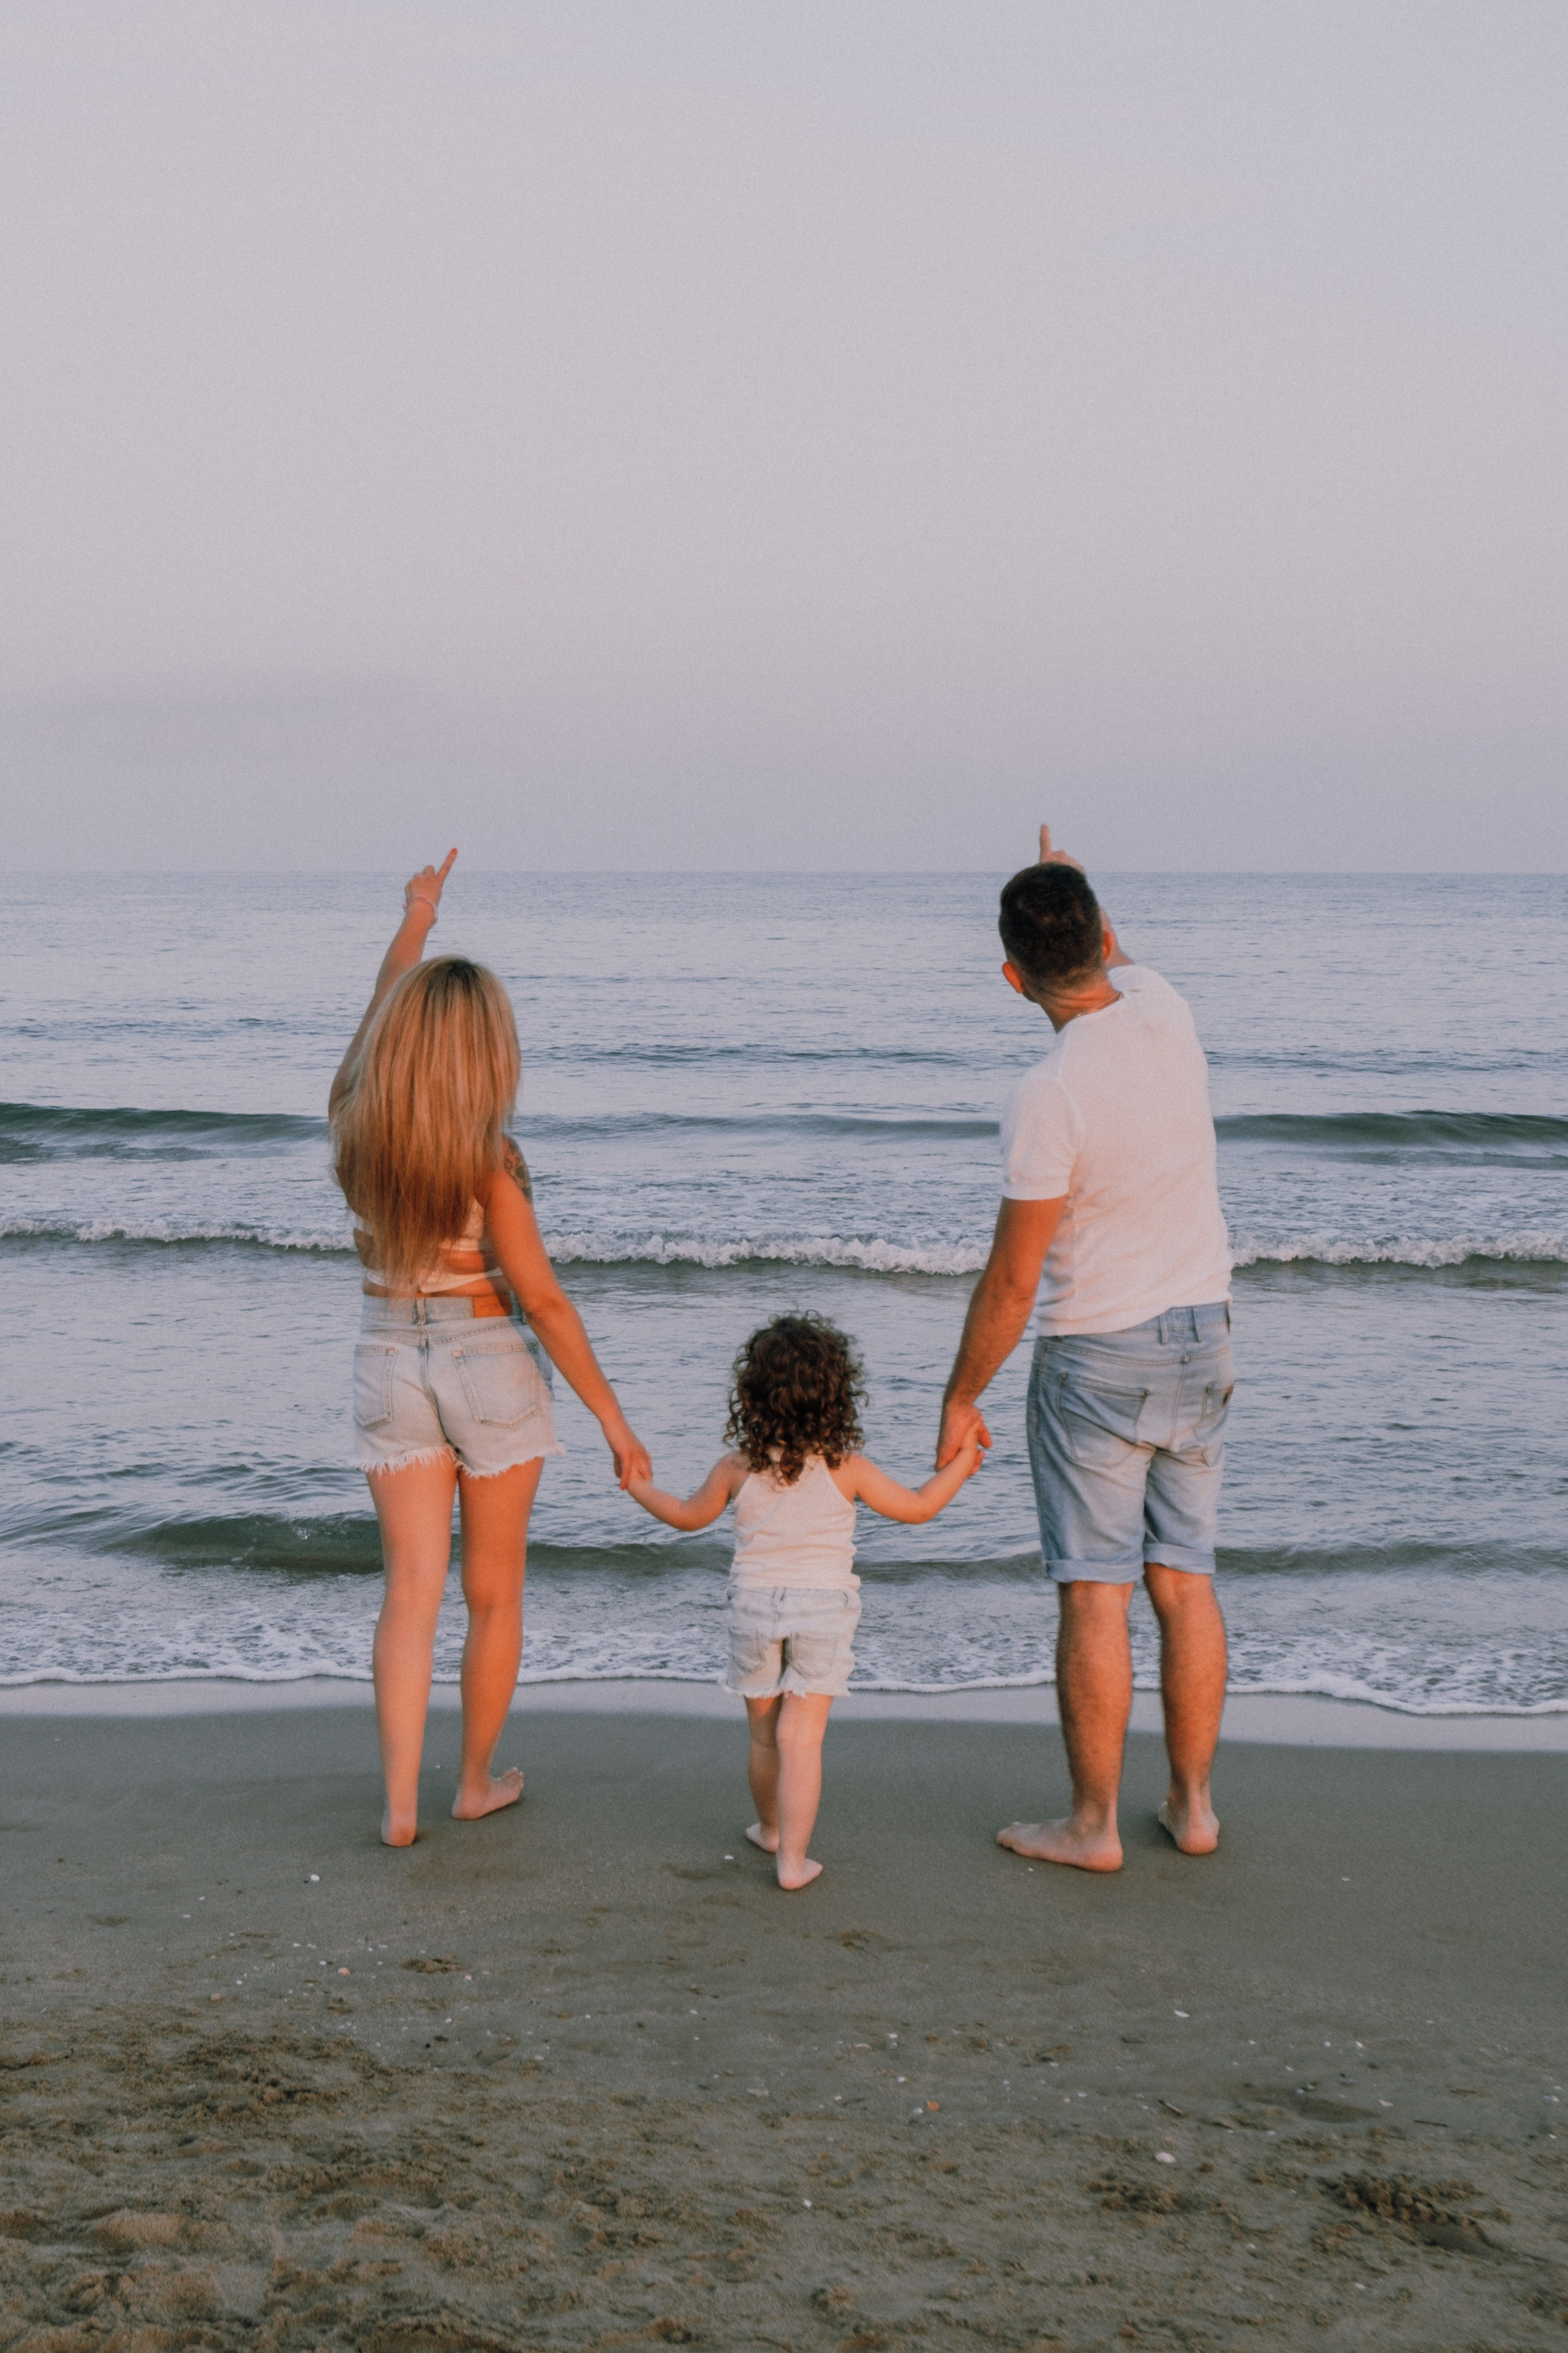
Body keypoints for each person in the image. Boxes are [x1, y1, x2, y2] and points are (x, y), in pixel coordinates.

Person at [330, 852, 652, 1848]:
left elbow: (386, 1001)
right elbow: (546, 1303)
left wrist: (417, 920)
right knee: (493, 1591)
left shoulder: (354, 1119)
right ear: (486, 1056)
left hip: (388, 1355)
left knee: (409, 1594)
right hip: (488, 1363)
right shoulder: (490, 1162)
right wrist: (614, 1420)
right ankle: (471, 1782)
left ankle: (395, 1809)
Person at [937, 827, 1234, 1873]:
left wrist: (959, 1395)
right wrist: (1070, 880)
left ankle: (1095, 1825)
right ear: (1108, 936)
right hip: (1204, 1336)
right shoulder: (1165, 1008)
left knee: (1095, 1590)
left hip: (1096, 1358)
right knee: (1184, 1580)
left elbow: (1014, 1279)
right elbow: (1119, 953)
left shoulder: (1048, 1094)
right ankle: (1192, 1808)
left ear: (1012, 977)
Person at [626, 1313, 983, 1889]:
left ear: (752, 1396)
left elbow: (688, 1518)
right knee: (802, 1738)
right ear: (838, 1397)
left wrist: (639, 1484)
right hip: (824, 1609)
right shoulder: (847, 1468)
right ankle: (792, 1860)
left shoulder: (737, 1467)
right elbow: (920, 1507)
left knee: (766, 1734)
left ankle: (770, 1829)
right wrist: (964, 1460)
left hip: (753, 1608)